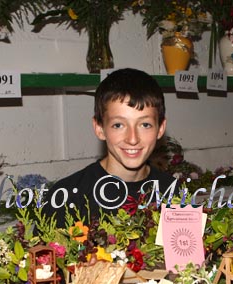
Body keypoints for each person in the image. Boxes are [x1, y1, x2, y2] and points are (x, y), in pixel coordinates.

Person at [41, 68, 176, 227]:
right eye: (118, 125)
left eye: (145, 125)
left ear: (160, 128)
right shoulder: (68, 197)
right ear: (99, 128)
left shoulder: (174, 193)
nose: (132, 139)